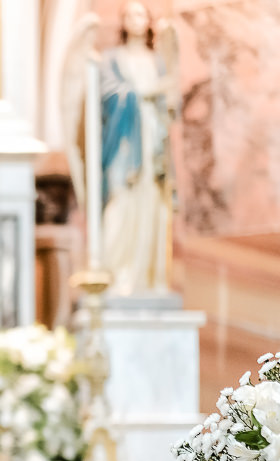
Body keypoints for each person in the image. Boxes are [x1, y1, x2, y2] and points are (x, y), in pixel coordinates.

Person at [99, 1, 177, 295]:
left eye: (141, 13)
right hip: (124, 141)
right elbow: (106, 95)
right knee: (121, 203)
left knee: (151, 204)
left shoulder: (157, 60)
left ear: (148, 21)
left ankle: (147, 278)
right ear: (122, 21)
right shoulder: (111, 59)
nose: (136, 19)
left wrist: (167, 98)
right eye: (130, 14)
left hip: (152, 141)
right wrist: (145, 92)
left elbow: (170, 105)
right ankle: (117, 273)